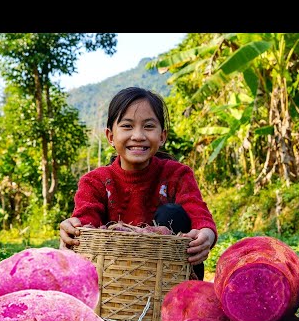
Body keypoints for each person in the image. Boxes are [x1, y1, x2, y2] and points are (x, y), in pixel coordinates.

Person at [59, 86, 217, 280]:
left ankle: (182, 291)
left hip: (169, 276)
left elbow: (198, 212)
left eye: (148, 126)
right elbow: (85, 220)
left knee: (172, 213)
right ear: (110, 136)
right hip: (114, 279)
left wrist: (206, 235)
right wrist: (73, 229)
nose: (138, 135)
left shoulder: (177, 174)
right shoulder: (95, 181)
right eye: (127, 126)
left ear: (162, 136)